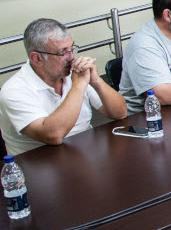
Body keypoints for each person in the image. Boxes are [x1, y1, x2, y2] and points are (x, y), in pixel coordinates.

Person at [0, 19, 127, 155]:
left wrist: (96, 82)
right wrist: (78, 86)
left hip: (82, 153)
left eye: (71, 49)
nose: (71, 57)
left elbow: (120, 113)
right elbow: (53, 135)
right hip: (39, 165)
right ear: (37, 58)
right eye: (63, 52)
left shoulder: (73, 74)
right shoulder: (14, 90)